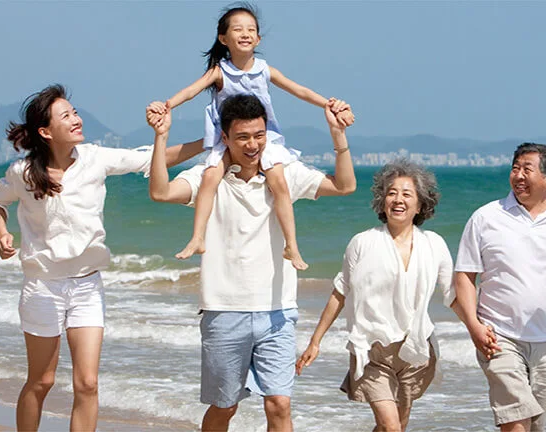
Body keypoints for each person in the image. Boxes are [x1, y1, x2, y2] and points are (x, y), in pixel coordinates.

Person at [0, 84, 198, 431]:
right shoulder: (22, 173)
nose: (77, 119)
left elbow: (154, 159)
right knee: (42, 381)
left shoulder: (96, 158)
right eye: (66, 115)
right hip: (42, 287)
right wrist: (3, 234)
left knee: (88, 384)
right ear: (45, 131)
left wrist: (216, 140)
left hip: (87, 287)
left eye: (75, 112)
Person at [147, 93, 356, 432]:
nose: (252, 144)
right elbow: (160, 192)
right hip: (223, 311)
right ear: (225, 138)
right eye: (242, 137)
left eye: (258, 135)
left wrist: (338, 136)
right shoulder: (208, 176)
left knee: (279, 405)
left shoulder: (283, 172)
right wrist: (161, 137)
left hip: (277, 311)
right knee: (224, 407)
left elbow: (344, 185)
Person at [148, 4, 354, 270]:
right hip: (229, 139)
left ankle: (291, 244)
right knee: (210, 177)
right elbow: (190, 91)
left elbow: (299, 90)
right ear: (224, 39)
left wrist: (329, 104)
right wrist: (166, 106)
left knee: (279, 181)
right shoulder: (219, 71)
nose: (245, 34)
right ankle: (198, 238)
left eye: (251, 30)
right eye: (238, 29)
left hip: (265, 137)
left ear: (258, 39)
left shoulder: (264, 69)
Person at [296, 159, 454, 432]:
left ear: (420, 205)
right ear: (382, 202)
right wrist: (315, 341)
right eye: (391, 193)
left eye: (407, 194)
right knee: (391, 426)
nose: (398, 199)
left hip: (415, 348)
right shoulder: (363, 242)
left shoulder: (434, 244)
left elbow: (453, 294)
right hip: (372, 350)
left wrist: (478, 328)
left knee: (396, 427)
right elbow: (340, 292)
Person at [451, 143, 546, 432]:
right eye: (515, 168)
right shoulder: (485, 217)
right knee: (516, 424)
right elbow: (465, 277)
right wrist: (474, 326)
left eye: (527, 169)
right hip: (498, 336)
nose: (518, 175)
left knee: (534, 426)